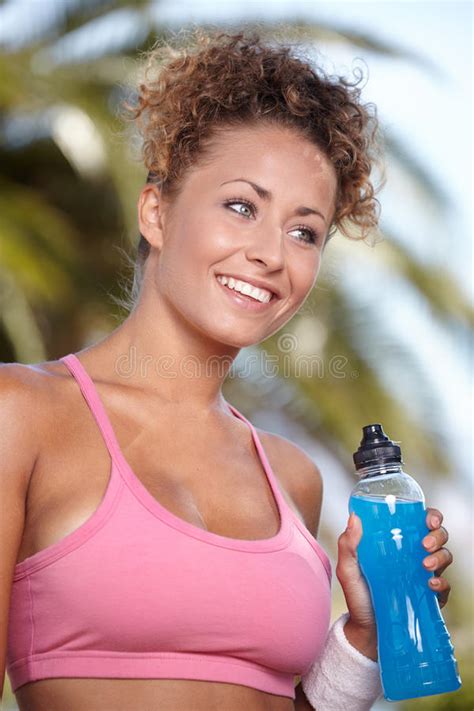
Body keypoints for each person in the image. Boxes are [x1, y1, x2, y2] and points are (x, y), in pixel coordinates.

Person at [1, 28, 453, 711]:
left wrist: (362, 633)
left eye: (304, 231)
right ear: (156, 210)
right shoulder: (23, 414)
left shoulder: (292, 476)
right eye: (242, 206)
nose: (272, 253)